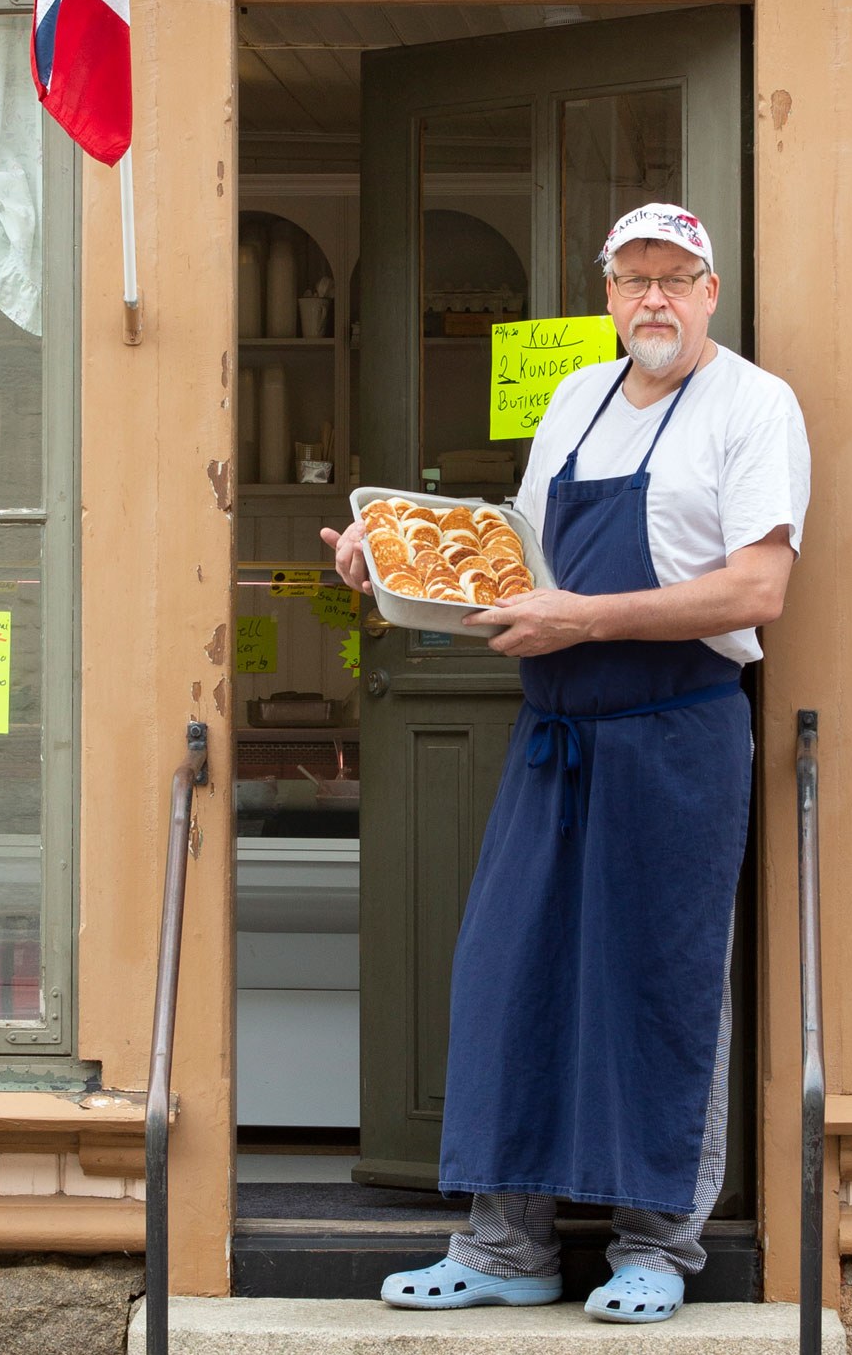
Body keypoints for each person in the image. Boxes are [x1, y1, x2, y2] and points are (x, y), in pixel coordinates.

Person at [320, 202, 810, 1325]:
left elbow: (755, 590)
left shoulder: (751, 405)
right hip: (554, 735)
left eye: (674, 277)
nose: (652, 298)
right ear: (606, 295)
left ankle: (653, 1247)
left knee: (658, 982)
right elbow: (513, 560)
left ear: (709, 290)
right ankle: (503, 1247)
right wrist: (384, 557)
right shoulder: (574, 399)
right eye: (632, 277)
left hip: (678, 731)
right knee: (511, 969)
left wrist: (583, 620)